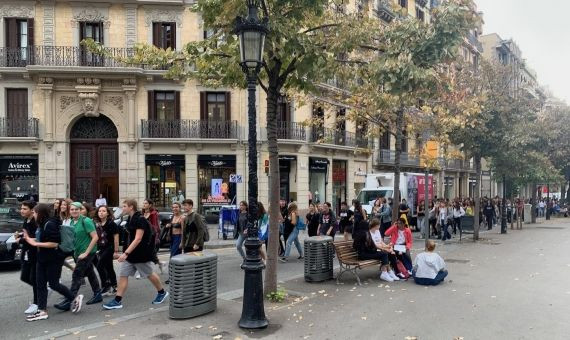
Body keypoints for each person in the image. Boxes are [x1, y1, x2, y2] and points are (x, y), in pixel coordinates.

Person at [103, 199, 168, 310]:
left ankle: (162, 292)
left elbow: (138, 239)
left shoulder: (140, 219)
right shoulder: (130, 218)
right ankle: (117, 301)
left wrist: (125, 253)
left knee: (149, 274)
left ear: (131, 207)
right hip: (131, 254)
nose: (122, 208)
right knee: (123, 275)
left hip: (140, 254)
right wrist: (125, 253)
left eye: (124, 206)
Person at [23, 204, 76, 321]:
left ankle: (74, 298)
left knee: (54, 284)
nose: (34, 214)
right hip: (41, 258)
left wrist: (35, 244)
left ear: (40, 213)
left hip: (53, 259)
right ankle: (42, 311)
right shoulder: (42, 224)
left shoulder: (50, 224)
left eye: (35, 212)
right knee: (40, 284)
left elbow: (54, 243)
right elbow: (41, 239)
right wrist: (27, 238)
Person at [62, 202, 102, 312]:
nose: (74, 211)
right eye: (72, 209)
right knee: (90, 272)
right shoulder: (70, 222)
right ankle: (98, 293)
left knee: (77, 275)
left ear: (80, 210)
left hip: (87, 252)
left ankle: (69, 300)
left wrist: (86, 253)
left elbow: (95, 237)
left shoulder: (86, 221)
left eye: (76, 209)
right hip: (77, 252)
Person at [14, 200, 38, 315]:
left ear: (32, 210)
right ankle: (42, 289)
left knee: (33, 278)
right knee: (24, 277)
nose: (21, 211)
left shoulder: (34, 222)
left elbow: (34, 238)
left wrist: (21, 240)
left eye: (24, 209)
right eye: (21, 208)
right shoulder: (26, 220)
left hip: (34, 254)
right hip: (26, 253)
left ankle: (36, 303)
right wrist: (20, 235)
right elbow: (27, 235)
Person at [93, 205, 119, 296]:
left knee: (100, 266)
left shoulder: (111, 223)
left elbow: (116, 237)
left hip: (110, 247)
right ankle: (114, 285)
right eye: (100, 211)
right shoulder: (98, 224)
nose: (101, 213)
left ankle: (106, 286)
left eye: (103, 211)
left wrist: (116, 251)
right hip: (101, 248)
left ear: (107, 213)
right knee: (109, 267)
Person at [142, 199, 164, 275]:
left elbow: (155, 226)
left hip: (151, 237)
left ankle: (145, 270)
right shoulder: (142, 213)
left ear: (150, 205)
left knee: (150, 253)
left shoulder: (154, 213)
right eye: (143, 203)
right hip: (143, 237)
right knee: (148, 254)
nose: (144, 204)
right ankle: (160, 264)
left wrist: (155, 237)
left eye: (146, 203)